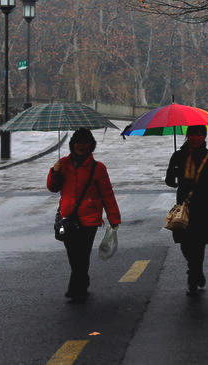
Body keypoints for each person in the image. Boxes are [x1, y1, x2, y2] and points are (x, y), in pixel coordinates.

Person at [47, 128, 121, 302]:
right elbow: (52, 187)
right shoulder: (63, 164)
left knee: (83, 253)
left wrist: (114, 218)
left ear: (91, 145)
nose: (81, 146)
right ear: (73, 144)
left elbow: (107, 194)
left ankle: (76, 288)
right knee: (73, 254)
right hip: (68, 217)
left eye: (85, 143)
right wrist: (54, 171)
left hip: (90, 219)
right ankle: (82, 280)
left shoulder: (98, 168)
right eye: (78, 142)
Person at [165, 125, 208, 296]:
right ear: (187, 136)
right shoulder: (178, 156)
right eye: (193, 134)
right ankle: (196, 270)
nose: (196, 138)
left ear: (204, 137)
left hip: (204, 209)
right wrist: (173, 171)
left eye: (200, 134)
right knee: (185, 245)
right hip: (184, 209)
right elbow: (170, 181)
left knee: (198, 245)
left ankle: (193, 276)